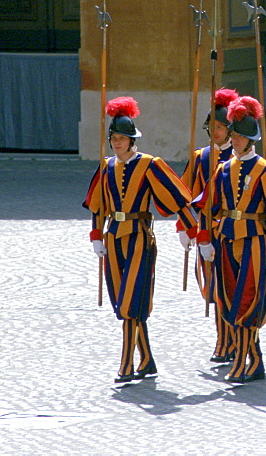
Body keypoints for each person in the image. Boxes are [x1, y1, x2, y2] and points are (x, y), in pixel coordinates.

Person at [83, 97, 197, 383]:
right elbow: (99, 205)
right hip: (113, 239)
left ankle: (126, 365)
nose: (117, 143)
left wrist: (194, 230)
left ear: (132, 140)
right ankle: (146, 360)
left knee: (130, 305)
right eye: (114, 138)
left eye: (122, 138)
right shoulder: (106, 166)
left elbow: (178, 196)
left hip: (139, 238)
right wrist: (96, 235)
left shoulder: (149, 165)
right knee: (122, 301)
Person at [196, 96, 266, 383]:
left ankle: (243, 360)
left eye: (241, 136)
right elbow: (207, 206)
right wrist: (205, 238)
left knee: (247, 302)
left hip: (255, 241)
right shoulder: (222, 169)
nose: (236, 140)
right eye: (234, 135)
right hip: (227, 241)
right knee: (229, 301)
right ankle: (255, 359)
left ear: (251, 139)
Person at [178, 87, 238, 364]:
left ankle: (239, 339)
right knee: (214, 288)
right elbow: (185, 194)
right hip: (207, 231)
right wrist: (185, 227)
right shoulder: (201, 157)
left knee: (234, 286)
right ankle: (222, 340)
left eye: (221, 127)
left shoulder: (240, 157)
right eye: (212, 126)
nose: (216, 132)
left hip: (236, 231)